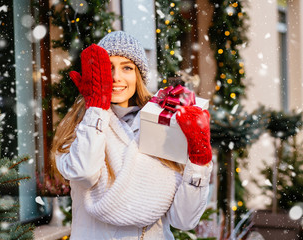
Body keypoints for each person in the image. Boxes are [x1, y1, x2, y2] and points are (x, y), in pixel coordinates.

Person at [52, 31, 213, 239]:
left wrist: (199, 161)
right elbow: (85, 172)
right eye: (107, 67)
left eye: (127, 67)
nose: (116, 77)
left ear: (139, 76)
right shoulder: (78, 126)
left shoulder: (164, 123)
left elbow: (184, 220)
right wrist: (96, 108)